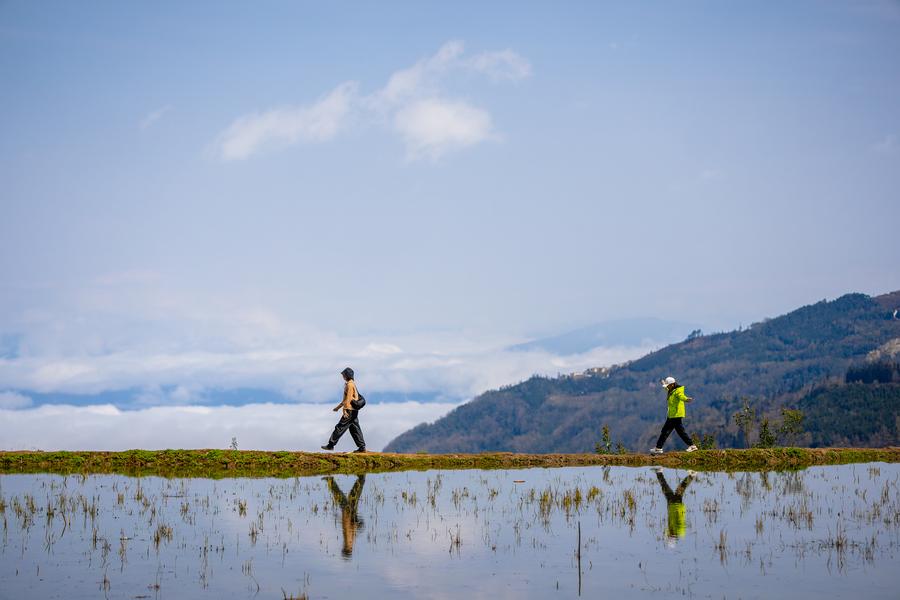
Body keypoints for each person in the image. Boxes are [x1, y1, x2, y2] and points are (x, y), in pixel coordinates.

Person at [321, 367, 366, 452]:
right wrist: (338, 407)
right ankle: (362, 447)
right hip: (353, 411)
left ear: (347, 375)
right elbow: (346, 400)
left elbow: (348, 399)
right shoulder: (351, 384)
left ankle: (331, 445)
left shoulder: (349, 385)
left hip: (350, 410)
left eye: (344, 374)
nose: (343, 376)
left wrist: (344, 410)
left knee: (340, 427)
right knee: (355, 429)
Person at [650, 376, 698, 454]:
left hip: (676, 414)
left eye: (668, 385)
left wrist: (686, 399)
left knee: (670, 431)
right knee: (670, 431)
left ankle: (658, 448)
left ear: (672, 384)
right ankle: (658, 448)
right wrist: (664, 384)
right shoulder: (671, 389)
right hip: (672, 415)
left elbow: (681, 396)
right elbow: (667, 389)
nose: (667, 387)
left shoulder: (678, 391)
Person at [323, 474, 366, 558]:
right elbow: (349, 528)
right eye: (345, 549)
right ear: (347, 549)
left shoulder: (348, 542)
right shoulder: (349, 542)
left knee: (344, 497)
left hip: (349, 514)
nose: (343, 547)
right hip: (349, 513)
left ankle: (330, 480)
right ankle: (361, 477)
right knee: (346, 497)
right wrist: (348, 518)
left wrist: (344, 519)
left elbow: (349, 528)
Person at [653, 466, 695, 542]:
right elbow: (676, 522)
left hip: (678, 506)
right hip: (674, 505)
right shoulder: (675, 529)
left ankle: (691, 475)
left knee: (679, 489)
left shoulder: (681, 532)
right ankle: (659, 472)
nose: (668, 534)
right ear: (672, 535)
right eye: (669, 535)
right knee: (666, 488)